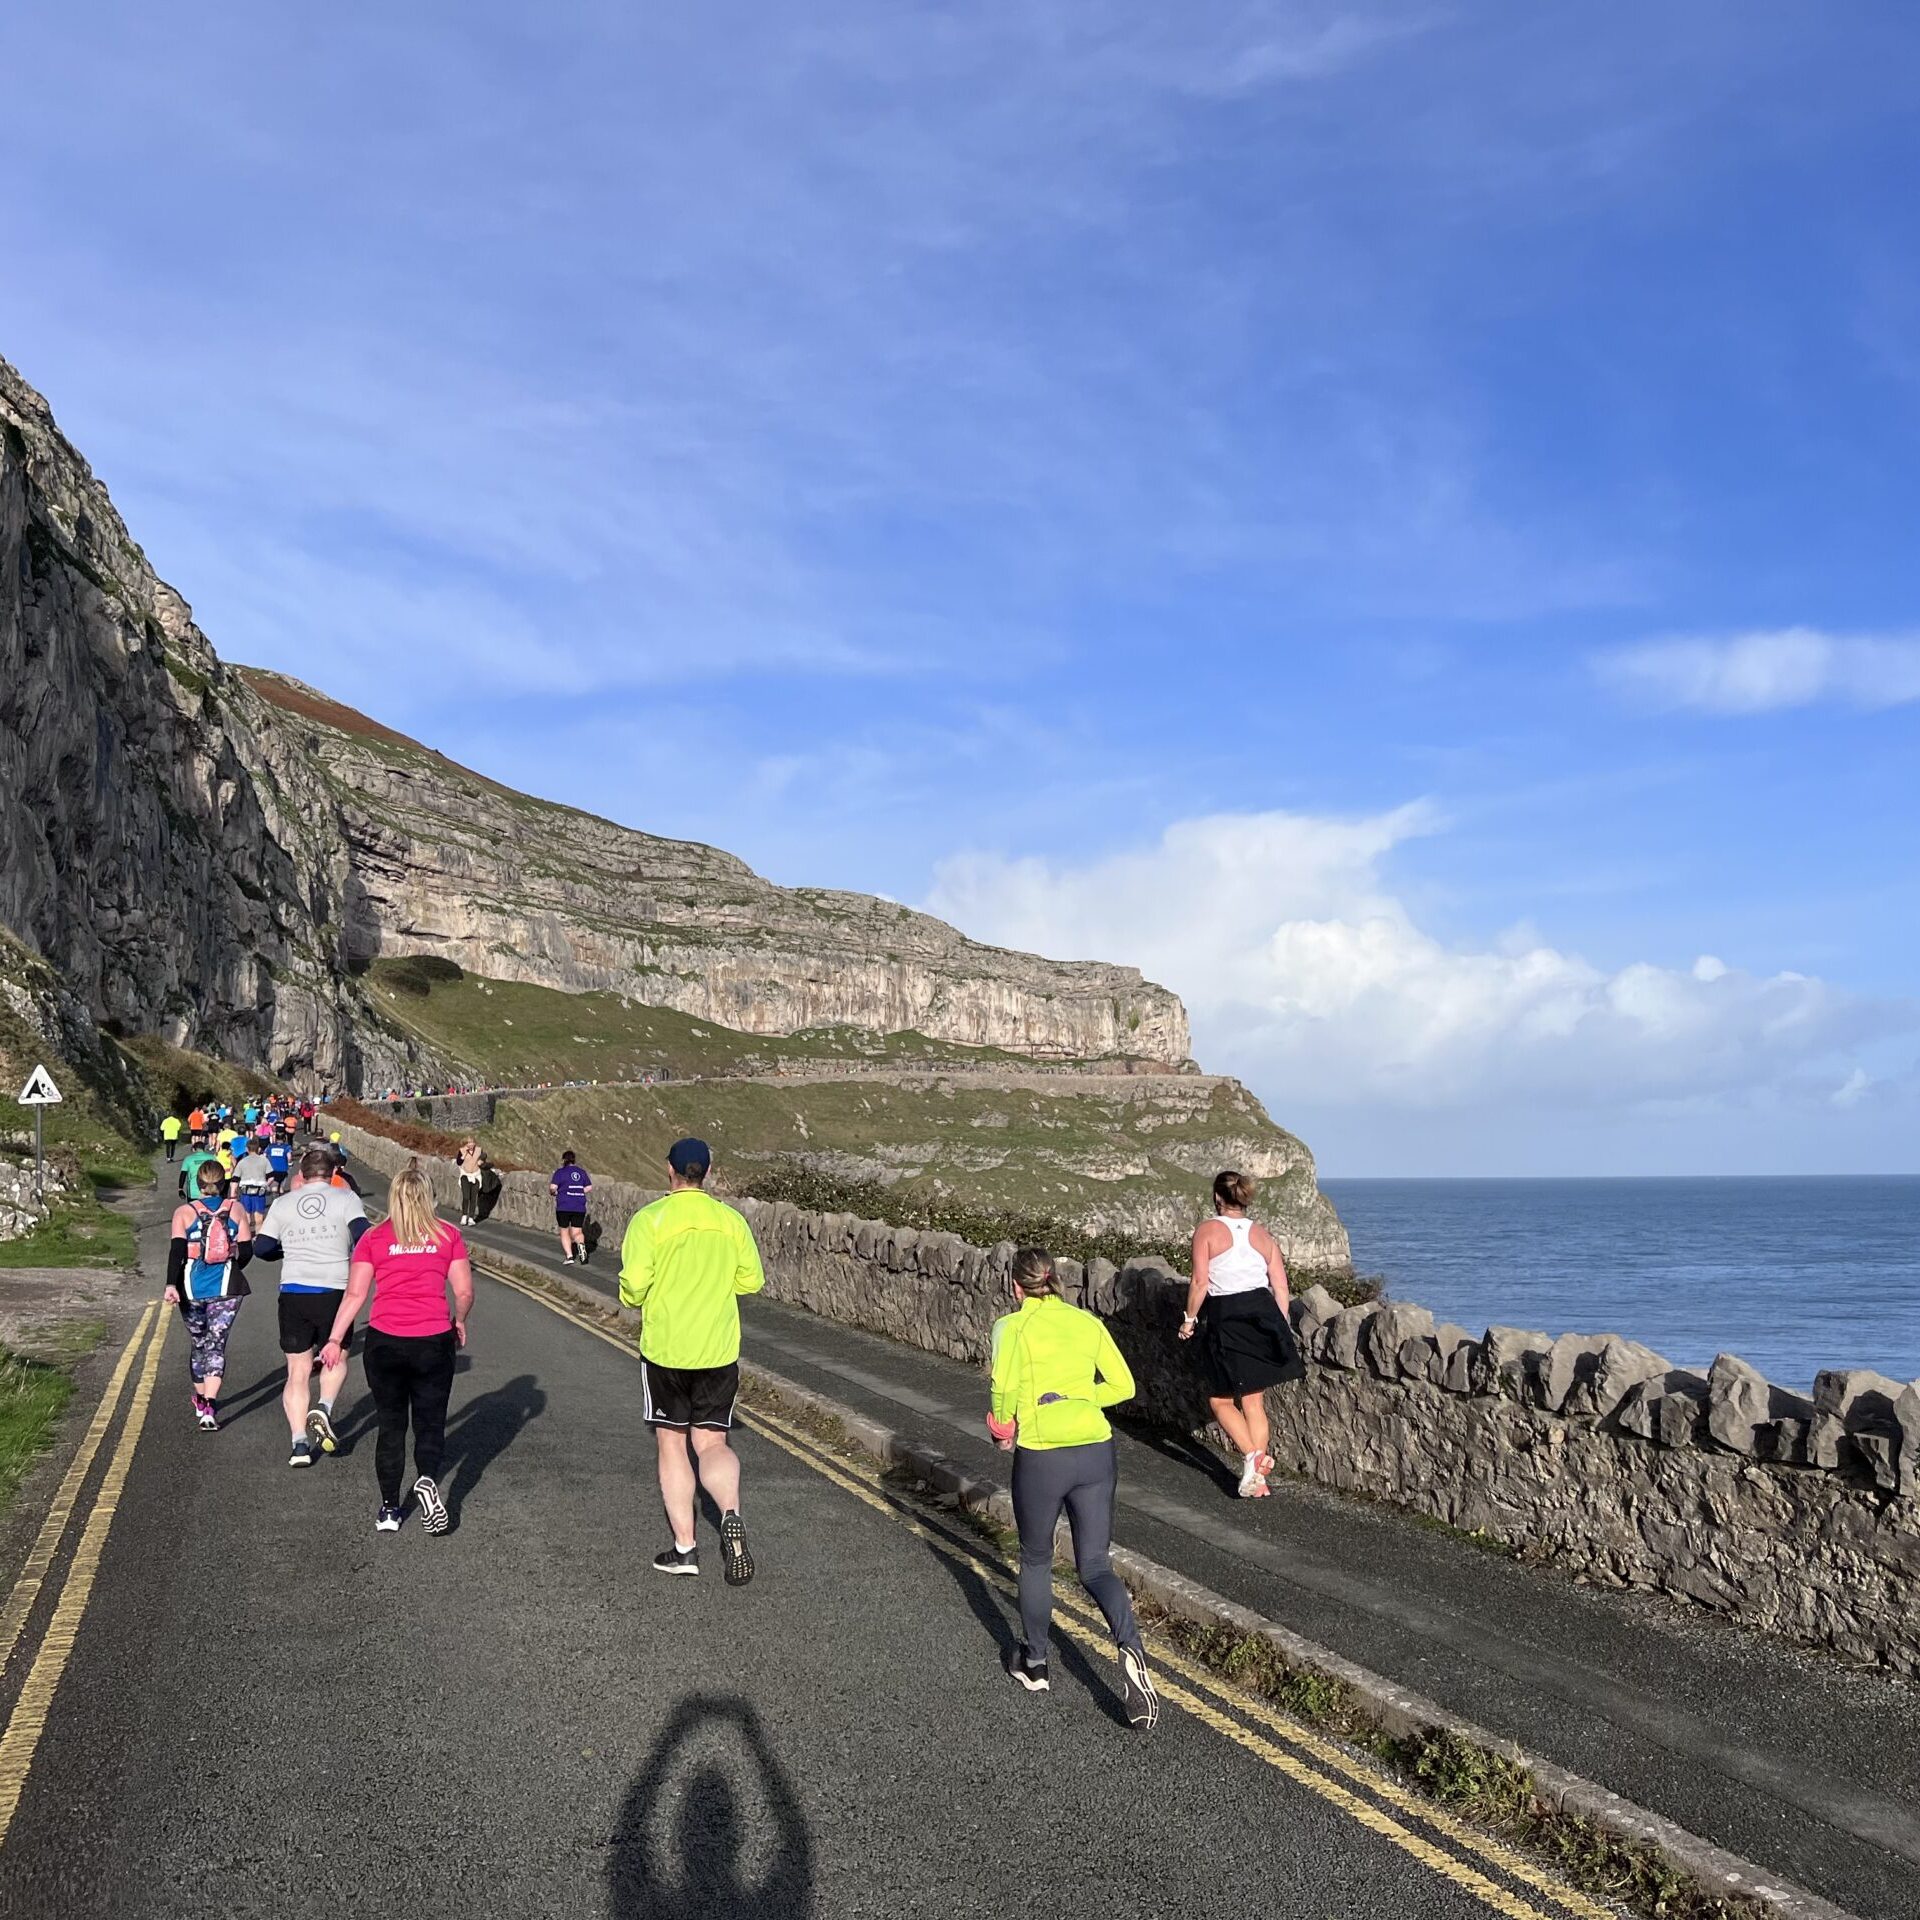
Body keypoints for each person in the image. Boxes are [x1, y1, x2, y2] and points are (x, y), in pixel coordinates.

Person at [987, 1247, 1158, 1728]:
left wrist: (1005, 1429)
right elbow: (1123, 1386)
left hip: (1043, 1455)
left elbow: (1002, 1391)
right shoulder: (1086, 1323)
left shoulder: (1011, 1327)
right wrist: (1080, 1400)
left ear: (1016, 1286)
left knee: (1038, 1557)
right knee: (1097, 1564)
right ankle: (1131, 1650)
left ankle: (1036, 1664)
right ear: (1055, 1281)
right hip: (1095, 1451)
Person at [618, 1138, 762, 1584]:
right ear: (708, 1172)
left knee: (671, 1444)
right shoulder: (730, 1220)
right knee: (713, 1445)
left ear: (670, 1171)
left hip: (667, 1350)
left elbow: (633, 1287)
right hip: (718, 1350)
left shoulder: (650, 1220)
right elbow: (751, 1281)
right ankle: (731, 1513)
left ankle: (685, 1550)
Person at [320, 1163, 473, 1534]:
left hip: (385, 1340)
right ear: (428, 1197)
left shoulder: (372, 1238)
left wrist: (335, 1339)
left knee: (391, 1425)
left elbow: (356, 1295)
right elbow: (464, 1291)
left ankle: (389, 1510)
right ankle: (427, 1480)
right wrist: (460, 1320)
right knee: (430, 1423)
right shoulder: (448, 1235)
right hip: (433, 1339)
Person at [1179, 1170, 1304, 1499]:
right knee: (1253, 1401)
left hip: (1227, 1314)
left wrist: (1189, 1320)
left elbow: (1200, 1282)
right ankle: (1256, 1479)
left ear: (1218, 1198)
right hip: (1263, 1313)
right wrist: (1279, 1325)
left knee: (1220, 1400)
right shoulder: (1262, 1235)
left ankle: (1254, 1456)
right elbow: (1280, 1285)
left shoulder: (1207, 1230)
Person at [254, 1147, 369, 1467]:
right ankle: (325, 1407)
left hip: (293, 1289)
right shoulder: (346, 1199)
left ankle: (299, 1444)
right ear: (333, 1173)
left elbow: (262, 1247)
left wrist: (287, 1250)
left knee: (297, 1371)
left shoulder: (283, 1203)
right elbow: (363, 1235)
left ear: (301, 1175)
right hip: (334, 1289)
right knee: (337, 1356)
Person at [166, 1159, 254, 1430]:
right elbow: (247, 1251)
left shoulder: (183, 1212)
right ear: (222, 1182)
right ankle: (210, 1407)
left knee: (199, 1342)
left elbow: (177, 1252)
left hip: (191, 1288)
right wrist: (232, 1266)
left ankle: (202, 1398)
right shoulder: (237, 1209)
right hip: (227, 1288)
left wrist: (171, 1285)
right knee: (216, 1344)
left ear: (198, 1184)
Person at [550, 1150, 592, 1264]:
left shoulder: (560, 1172)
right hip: (579, 1205)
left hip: (564, 1205)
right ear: (574, 1160)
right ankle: (582, 1249)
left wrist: (556, 1192)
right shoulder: (581, 1172)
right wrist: (578, 1190)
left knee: (564, 1231)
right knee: (577, 1231)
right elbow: (589, 1187)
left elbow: (553, 1187)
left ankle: (569, 1257)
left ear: (564, 1160)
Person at [233, 1138, 275, 1225]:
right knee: (259, 1217)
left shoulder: (242, 1162)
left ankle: (248, 1235)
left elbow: (235, 1179)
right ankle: (257, 1236)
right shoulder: (264, 1160)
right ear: (258, 1149)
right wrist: (266, 1185)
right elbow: (271, 1177)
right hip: (259, 1191)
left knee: (246, 1216)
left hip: (245, 1192)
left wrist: (233, 1193)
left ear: (247, 1149)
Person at [456, 1138, 484, 1227]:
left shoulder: (479, 1150)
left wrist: (481, 1161)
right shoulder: (462, 1150)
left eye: (472, 1142)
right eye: (469, 1143)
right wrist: (463, 1156)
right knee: (466, 1197)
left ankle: (471, 1217)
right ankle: (464, 1216)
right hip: (465, 1176)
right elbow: (458, 1162)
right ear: (466, 1144)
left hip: (476, 1176)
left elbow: (484, 1157)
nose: (471, 1144)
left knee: (473, 1198)